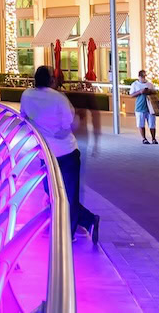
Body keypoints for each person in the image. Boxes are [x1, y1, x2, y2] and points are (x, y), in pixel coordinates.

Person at [19, 65, 100, 244]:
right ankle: (80, 226)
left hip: (45, 153)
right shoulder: (59, 98)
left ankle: (77, 226)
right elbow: (68, 124)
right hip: (66, 151)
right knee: (69, 194)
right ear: (51, 80)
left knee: (53, 192)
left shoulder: (27, 95)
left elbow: (23, 117)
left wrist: (41, 130)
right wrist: (57, 131)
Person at [129, 71, 159, 144]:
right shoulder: (135, 84)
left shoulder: (149, 84)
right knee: (141, 123)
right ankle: (144, 138)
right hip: (140, 106)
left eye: (144, 76)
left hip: (150, 107)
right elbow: (131, 95)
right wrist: (140, 92)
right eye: (142, 77)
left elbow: (155, 92)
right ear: (139, 77)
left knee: (152, 123)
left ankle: (153, 138)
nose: (143, 78)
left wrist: (149, 91)